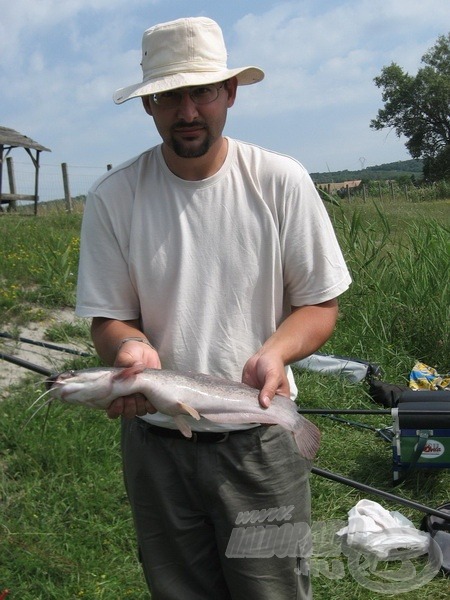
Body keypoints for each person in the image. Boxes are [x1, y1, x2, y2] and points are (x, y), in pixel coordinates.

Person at [75, 16, 351, 600]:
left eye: (202, 91)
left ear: (230, 92)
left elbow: (319, 306)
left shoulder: (281, 181)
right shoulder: (114, 197)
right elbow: (108, 317)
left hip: (260, 436)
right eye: (170, 96)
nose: (188, 111)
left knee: (272, 591)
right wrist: (128, 347)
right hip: (156, 446)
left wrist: (276, 352)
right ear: (148, 105)